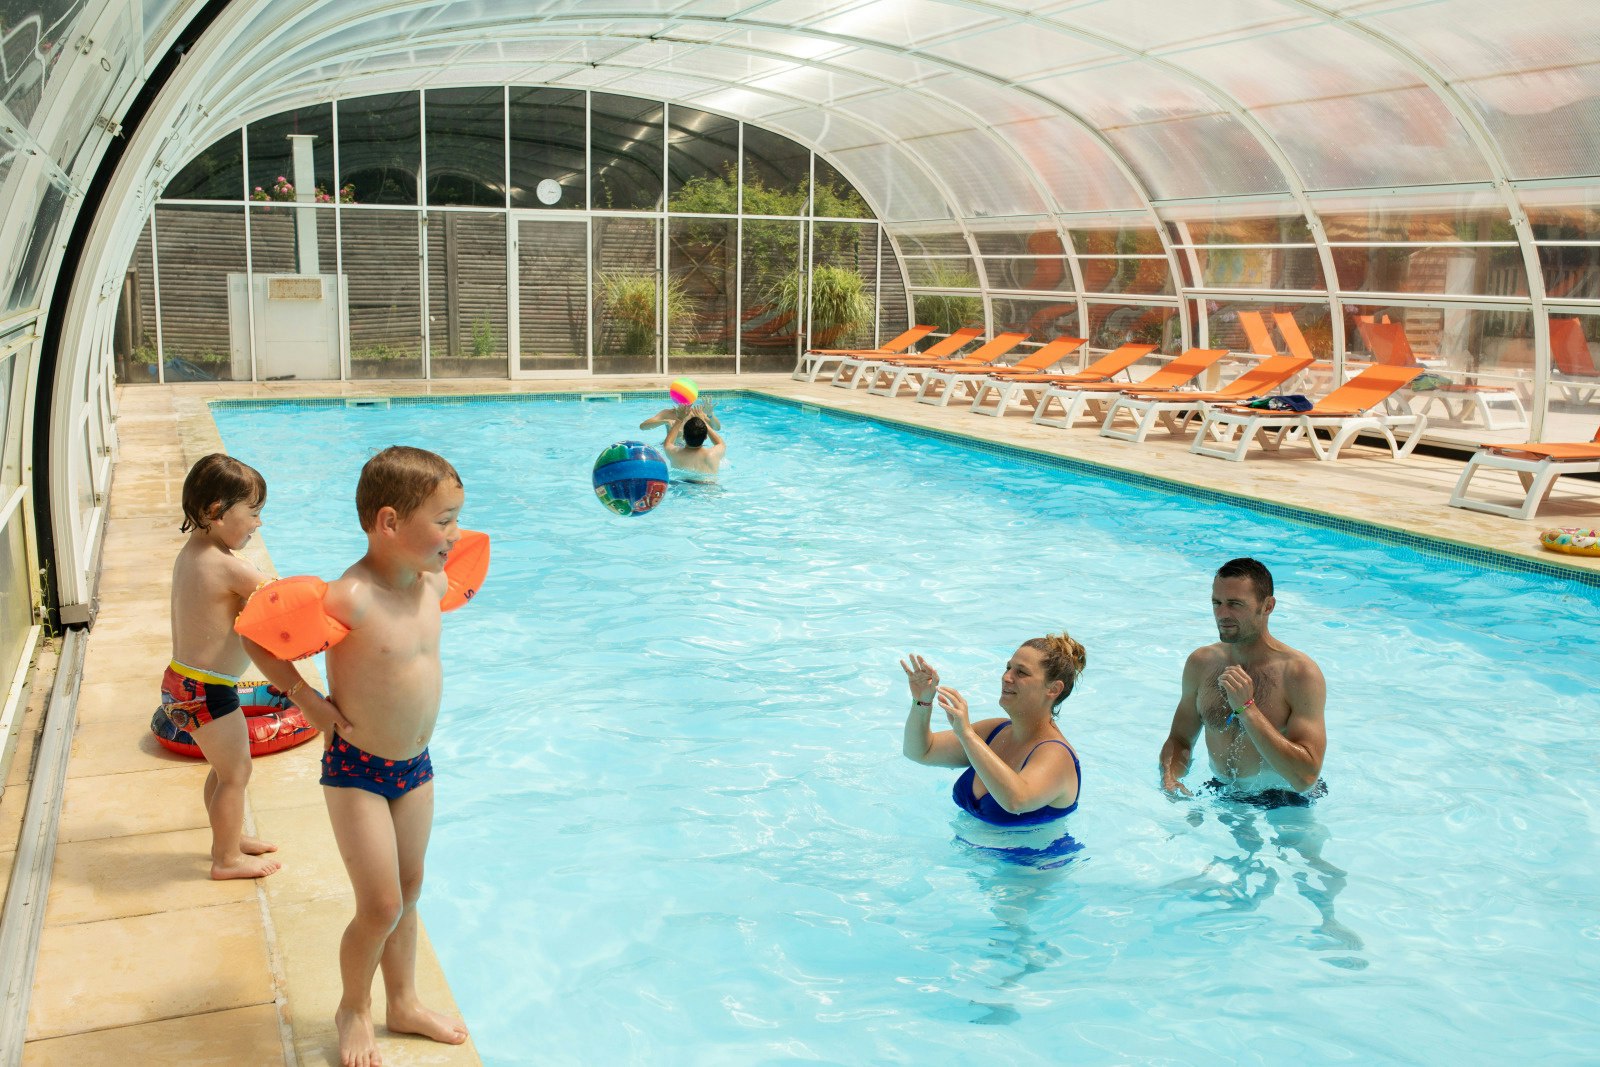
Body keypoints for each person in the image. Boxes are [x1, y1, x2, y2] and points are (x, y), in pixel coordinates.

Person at [241, 445, 469, 1067]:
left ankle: (404, 1002)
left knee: (410, 890)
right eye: (444, 521)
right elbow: (257, 636)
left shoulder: (433, 583)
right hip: (358, 770)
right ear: (389, 522)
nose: (456, 534)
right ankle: (354, 1009)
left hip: (416, 767)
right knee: (381, 905)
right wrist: (307, 700)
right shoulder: (351, 596)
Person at [161, 453, 282, 881]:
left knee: (224, 769)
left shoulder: (193, 554)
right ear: (217, 511)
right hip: (207, 690)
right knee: (236, 772)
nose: (258, 523)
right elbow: (284, 601)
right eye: (254, 512)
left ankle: (229, 838)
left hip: (183, 683)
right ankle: (226, 859)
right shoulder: (228, 566)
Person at [1159, 557, 1328, 804]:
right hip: (1221, 791)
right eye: (1217, 603)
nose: (1222, 614)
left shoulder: (1299, 674)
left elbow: (1306, 778)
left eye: (1235, 604)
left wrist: (1247, 709)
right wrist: (1170, 776)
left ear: (1267, 606)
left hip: (1286, 802)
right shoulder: (1201, 663)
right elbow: (1180, 739)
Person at [900, 635, 1085, 825]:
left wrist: (967, 735)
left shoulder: (1057, 755)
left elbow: (1016, 801)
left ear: (1053, 689)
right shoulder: (994, 731)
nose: (1006, 677)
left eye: (1021, 672)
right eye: (1008, 668)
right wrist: (922, 702)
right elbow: (920, 752)